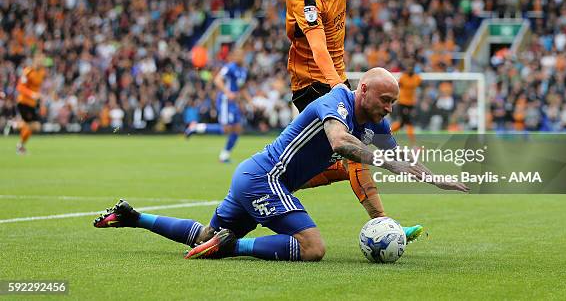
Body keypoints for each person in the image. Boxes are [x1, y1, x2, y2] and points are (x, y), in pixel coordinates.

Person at [94, 68, 469, 262]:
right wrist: (385, 160)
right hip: (265, 178)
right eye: (385, 100)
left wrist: (435, 179)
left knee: (207, 233)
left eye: (393, 104)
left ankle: (133, 217)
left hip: (253, 176)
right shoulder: (334, 101)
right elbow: (340, 142)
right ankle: (233, 248)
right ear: (363, 90)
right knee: (313, 248)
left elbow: (398, 155)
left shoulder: (376, 121)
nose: (389, 109)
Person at [285, 0, 411, 219]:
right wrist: (339, 87)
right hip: (312, 83)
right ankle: (383, 224)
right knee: (353, 150)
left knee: (343, 157)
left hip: (334, 80)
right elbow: (317, 48)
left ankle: (280, 182)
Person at [185, 48, 248, 163]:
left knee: (237, 128)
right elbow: (218, 80)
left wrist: (250, 101)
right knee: (226, 129)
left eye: (241, 55)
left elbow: (242, 88)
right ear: (234, 56)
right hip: (225, 101)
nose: (240, 57)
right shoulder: (230, 67)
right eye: (237, 55)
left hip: (233, 103)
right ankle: (195, 127)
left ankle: (224, 156)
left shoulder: (243, 70)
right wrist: (227, 92)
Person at [14, 53, 46, 154]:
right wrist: (32, 94)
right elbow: (20, 87)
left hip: (32, 104)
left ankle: (20, 145)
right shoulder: (28, 71)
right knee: (35, 125)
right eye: (40, 59)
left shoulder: (42, 72)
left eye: (43, 60)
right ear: (35, 60)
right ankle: (15, 125)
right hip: (23, 102)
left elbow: (37, 88)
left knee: (31, 127)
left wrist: (40, 102)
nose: (41, 62)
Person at [392, 61, 422, 144]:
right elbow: (398, 87)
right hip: (403, 102)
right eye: (408, 68)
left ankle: (388, 134)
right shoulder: (403, 77)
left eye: (411, 68)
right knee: (407, 122)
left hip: (411, 103)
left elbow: (420, 87)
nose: (410, 69)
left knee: (403, 123)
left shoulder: (417, 78)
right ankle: (413, 143)